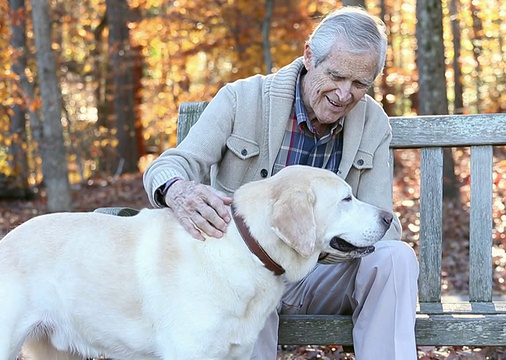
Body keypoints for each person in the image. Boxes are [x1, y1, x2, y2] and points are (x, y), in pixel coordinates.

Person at [142, 6, 418, 359]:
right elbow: (172, 164)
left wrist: (310, 243)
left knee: (394, 258)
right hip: (246, 272)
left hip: (323, 273)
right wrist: (178, 191)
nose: (345, 94)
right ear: (308, 57)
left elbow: (382, 226)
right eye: (336, 76)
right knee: (254, 270)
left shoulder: (374, 124)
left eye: (360, 83)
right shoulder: (242, 99)